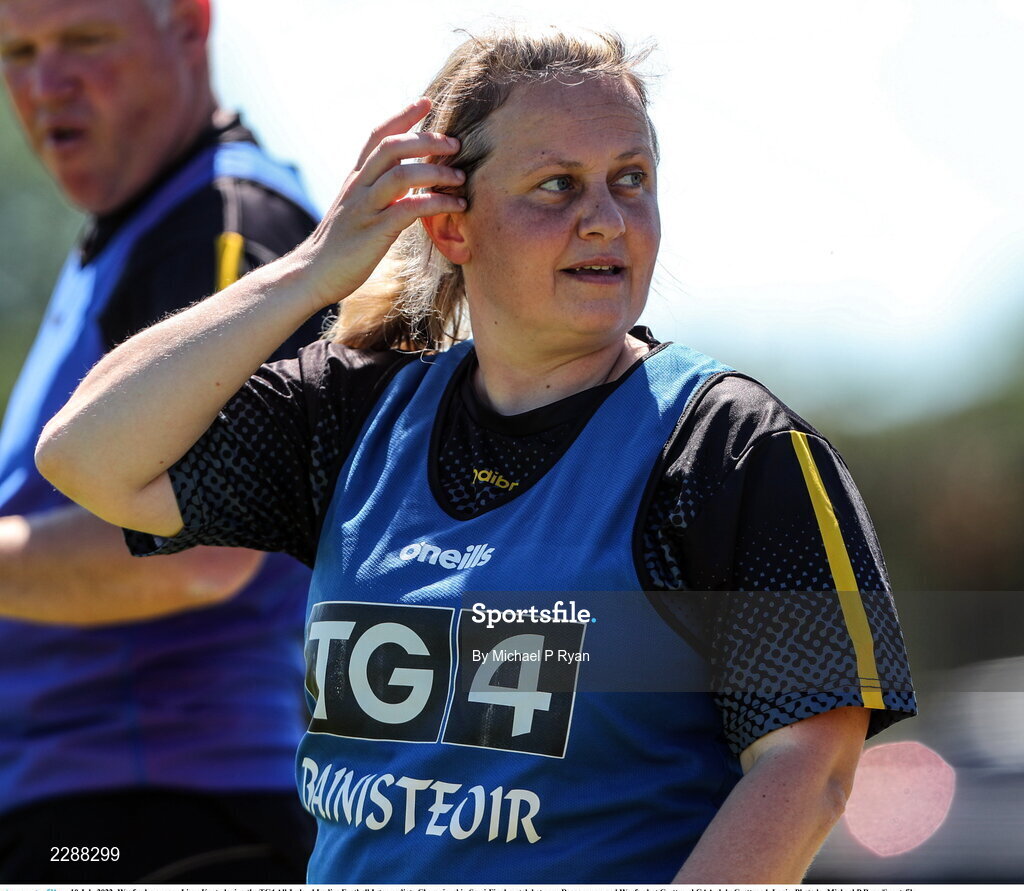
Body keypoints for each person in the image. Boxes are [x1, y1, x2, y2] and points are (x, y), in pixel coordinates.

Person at [36, 27, 917, 883]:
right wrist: (310, 269)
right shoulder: (356, 414)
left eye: (630, 180)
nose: (605, 219)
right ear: (453, 227)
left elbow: (810, 765)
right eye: (558, 185)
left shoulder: (727, 444)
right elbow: (89, 456)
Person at [0, 0, 325, 882]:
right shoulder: (138, 231)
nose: (43, 84)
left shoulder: (223, 225)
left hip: (154, 827)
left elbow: (205, 552)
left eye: (84, 41)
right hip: (104, 816)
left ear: (188, 25)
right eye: (18, 52)